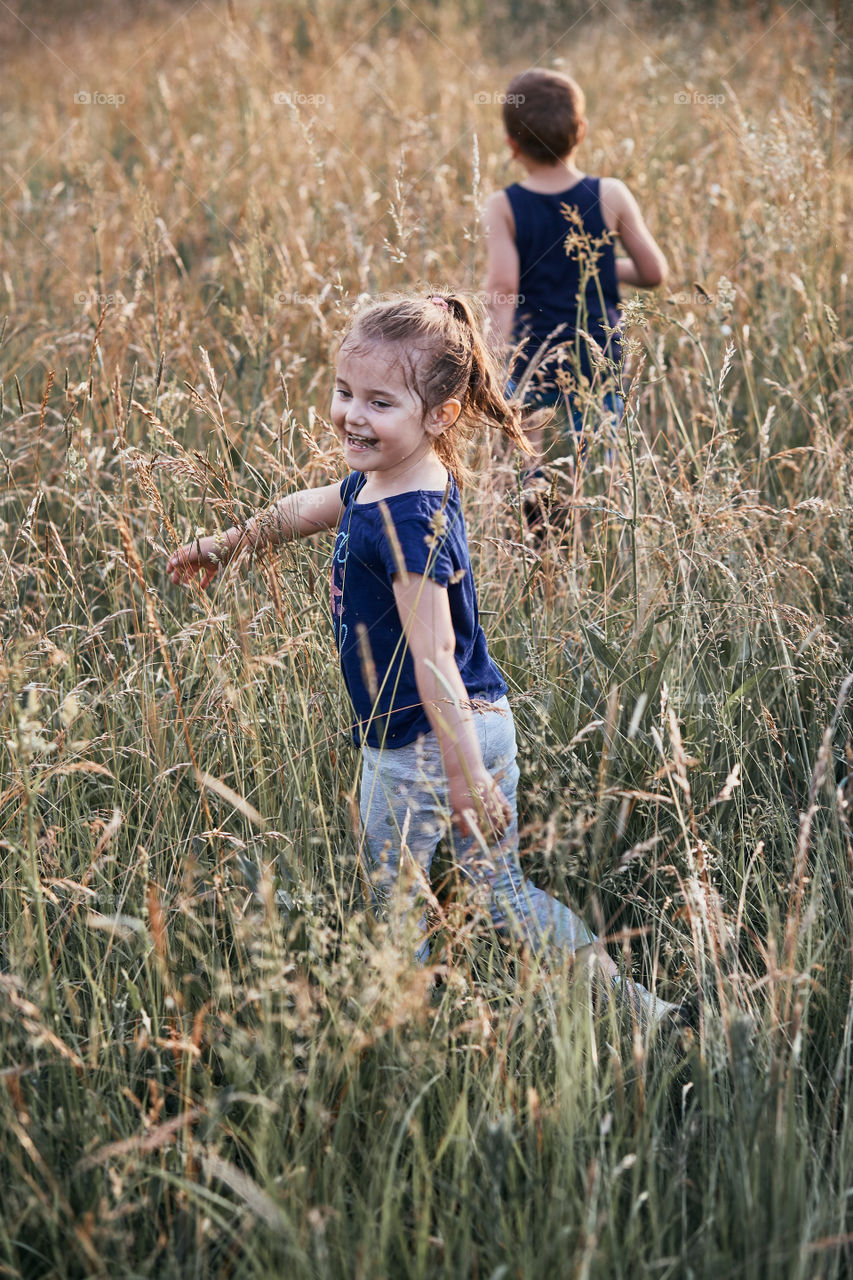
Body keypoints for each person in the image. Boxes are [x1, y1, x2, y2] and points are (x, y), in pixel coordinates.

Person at [165, 291, 680, 1025]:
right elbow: (313, 505)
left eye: (379, 402)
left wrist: (465, 780)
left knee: (392, 906)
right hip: (478, 718)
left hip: (421, 744)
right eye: (344, 392)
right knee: (500, 889)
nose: (351, 415)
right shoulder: (397, 478)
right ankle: (643, 1012)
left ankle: (404, 1043)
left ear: (438, 415)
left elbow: (433, 652)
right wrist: (230, 543)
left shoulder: (407, 518)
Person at [482, 67, 668, 453]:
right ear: (581, 130)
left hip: (533, 352)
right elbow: (653, 272)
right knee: (601, 445)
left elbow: (503, 287)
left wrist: (495, 358)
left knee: (524, 443)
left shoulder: (503, 207)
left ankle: (531, 504)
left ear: (511, 144)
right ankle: (601, 504)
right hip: (597, 351)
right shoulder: (611, 194)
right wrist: (596, 265)